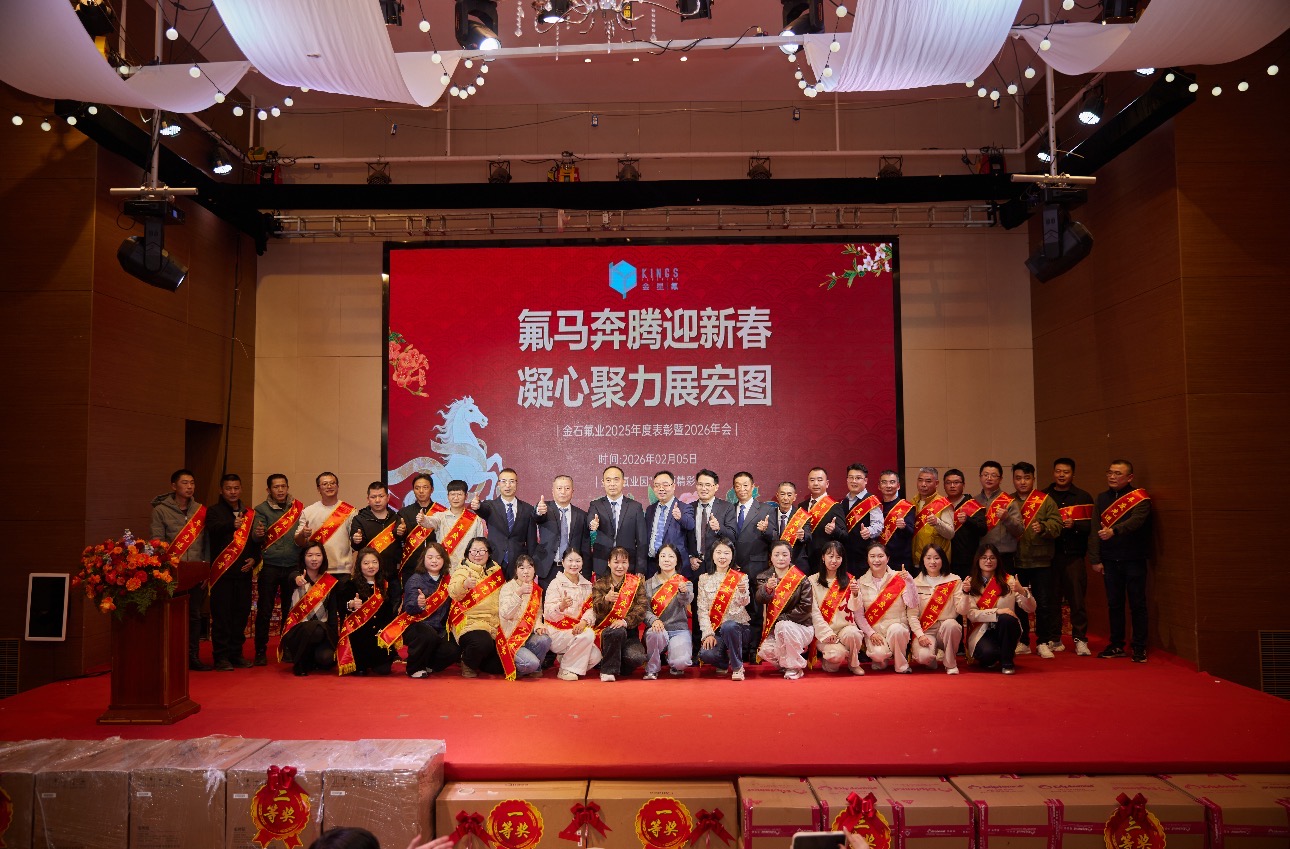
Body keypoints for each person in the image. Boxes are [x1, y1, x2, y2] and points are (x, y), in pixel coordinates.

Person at [1088, 459, 1153, 663]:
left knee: (1137, 604)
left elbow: (1136, 522)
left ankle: (1139, 647)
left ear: (1129, 477)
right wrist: (1095, 558)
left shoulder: (1140, 498)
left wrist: (1114, 531)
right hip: (1110, 560)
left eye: (1118, 473)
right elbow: (1094, 530)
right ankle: (1116, 644)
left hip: (1134, 558)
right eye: (1110, 472)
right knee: (1114, 604)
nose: (1112, 477)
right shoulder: (1101, 498)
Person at [150, 468, 210, 671]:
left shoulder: (201, 510)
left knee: (194, 616)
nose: (189, 487)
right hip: (173, 574)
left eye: (192, 483)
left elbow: (207, 543)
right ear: (174, 486)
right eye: (185, 483)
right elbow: (157, 542)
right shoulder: (161, 510)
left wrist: (205, 569)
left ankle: (192, 656)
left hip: (195, 573)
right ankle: (172, 657)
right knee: (172, 616)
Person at [205, 473, 261, 671]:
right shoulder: (213, 511)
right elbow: (212, 530)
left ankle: (236, 654)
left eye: (236, 488)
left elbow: (255, 543)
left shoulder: (249, 513)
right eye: (228, 488)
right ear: (221, 490)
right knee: (222, 616)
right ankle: (221, 657)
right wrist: (231, 525)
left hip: (243, 574)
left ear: (241, 489)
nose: (233, 492)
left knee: (241, 615)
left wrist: (255, 558)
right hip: (222, 574)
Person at [1008, 462, 1063, 658]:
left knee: (1043, 603)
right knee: (1019, 603)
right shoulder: (1008, 500)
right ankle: (1023, 641)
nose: (1022, 482)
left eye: (1027, 478)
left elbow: (1057, 525)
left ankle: (1043, 641)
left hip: (1042, 560)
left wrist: (1044, 527)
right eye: (1018, 478)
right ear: (1013, 480)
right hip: (1016, 560)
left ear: (1033, 478)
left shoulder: (1045, 500)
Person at [957, 542, 1035, 674]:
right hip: (981, 630)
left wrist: (1022, 591)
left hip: (1006, 628)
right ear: (977, 560)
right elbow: (971, 614)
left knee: (1006, 618)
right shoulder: (970, 583)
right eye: (984, 558)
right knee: (988, 655)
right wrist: (997, 611)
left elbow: (1030, 608)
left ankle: (1007, 663)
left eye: (992, 558)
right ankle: (1001, 652)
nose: (988, 561)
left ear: (998, 560)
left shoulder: (1009, 581)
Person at [1045, 457, 1096, 656]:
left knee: (1077, 600)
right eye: (1058, 471)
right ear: (1053, 473)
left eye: (1065, 472)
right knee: (1052, 599)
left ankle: (1080, 639)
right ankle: (1054, 638)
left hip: (1074, 556)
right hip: (1050, 557)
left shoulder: (1083, 496)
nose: (1061, 475)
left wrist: (1075, 526)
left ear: (1073, 474)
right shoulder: (1043, 496)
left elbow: (1091, 527)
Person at [722, 471, 775, 659]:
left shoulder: (766, 509)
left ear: (753, 487)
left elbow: (776, 538)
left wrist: (766, 530)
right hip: (733, 568)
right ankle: (738, 649)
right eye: (737, 485)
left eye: (745, 485)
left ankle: (753, 650)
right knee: (735, 610)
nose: (741, 489)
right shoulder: (729, 509)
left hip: (756, 568)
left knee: (755, 611)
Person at [253, 474, 304, 666]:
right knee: (264, 610)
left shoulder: (298, 508)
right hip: (270, 566)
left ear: (288, 487)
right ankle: (260, 650)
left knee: (289, 610)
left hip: (292, 566)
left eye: (283, 486)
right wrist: (258, 534)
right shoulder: (261, 510)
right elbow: (256, 537)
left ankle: (288, 648)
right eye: (276, 487)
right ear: (269, 490)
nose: (280, 490)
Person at [395, 542, 459, 678]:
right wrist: (419, 604)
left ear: (444, 560)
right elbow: (409, 608)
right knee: (427, 635)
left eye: (438, 557)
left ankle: (429, 664)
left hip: (439, 629)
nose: (434, 561)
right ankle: (413, 668)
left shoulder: (448, 581)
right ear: (423, 559)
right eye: (430, 557)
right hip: (415, 625)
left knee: (454, 650)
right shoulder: (415, 580)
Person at [851, 541, 916, 673]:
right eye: (872, 556)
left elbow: (912, 604)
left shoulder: (900, 578)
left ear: (888, 558)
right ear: (867, 559)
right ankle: (883, 657)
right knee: (878, 656)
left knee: (897, 630)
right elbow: (858, 615)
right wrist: (871, 633)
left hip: (896, 626)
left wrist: (910, 582)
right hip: (875, 631)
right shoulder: (860, 582)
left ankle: (901, 665)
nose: (876, 560)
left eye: (880, 556)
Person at [447, 536, 507, 677]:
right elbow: (453, 591)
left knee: (500, 666)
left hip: (494, 625)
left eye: (482, 551)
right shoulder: (463, 570)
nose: (477, 554)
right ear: (468, 553)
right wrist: (464, 585)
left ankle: (478, 661)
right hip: (471, 624)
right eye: (473, 551)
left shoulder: (496, 570)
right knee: (482, 643)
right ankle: (467, 662)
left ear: (489, 553)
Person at [333, 547, 396, 676]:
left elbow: (389, 612)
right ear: (359, 566)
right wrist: (351, 605)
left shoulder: (385, 585)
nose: (371, 566)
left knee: (383, 671)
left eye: (374, 562)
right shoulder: (351, 585)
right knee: (360, 671)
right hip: (359, 636)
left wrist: (385, 631)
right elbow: (342, 607)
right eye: (366, 563)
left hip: (378, 635)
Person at [756, 539, 814, 679]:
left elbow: (805, 607)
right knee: (765, 651)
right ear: (771, 557)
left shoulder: (801, 579)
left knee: (784, 626)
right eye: (776, 555)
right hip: (777, 629)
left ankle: (795, 667)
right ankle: (786, 664)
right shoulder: (764, 577)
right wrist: (768, 589)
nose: (780, 558)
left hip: (801, 626)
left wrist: (782, 619)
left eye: (784, 554)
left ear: (790, 556)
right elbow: (760, 599)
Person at [279, 543, 339, 676]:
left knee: (328, 659)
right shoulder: (297, 577)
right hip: (299, 631)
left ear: (323, 557)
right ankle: (301, 662)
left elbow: (332, 614)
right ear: (303, 557)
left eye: (318, 555)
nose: (314, 559)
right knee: (314, 629)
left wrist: (334, 640)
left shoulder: (328, 581)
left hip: (322, 631)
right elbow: (291, 578)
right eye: (310, 555)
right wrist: (297, 579)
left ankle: (311, 659)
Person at [543, 549, 602, 681]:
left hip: (579, 630)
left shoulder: (587, 585)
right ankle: (564, 670)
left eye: (577, 561)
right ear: (563, 562)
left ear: (582, 563)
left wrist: (583, 622)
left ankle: (566, 658)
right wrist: (561, 606)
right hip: (558, 632)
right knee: (588, 634)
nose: (574, 564)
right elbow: (548, 614)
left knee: (596, 657)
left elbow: (591, 609)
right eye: (570, 560)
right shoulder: (555, 584)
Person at [697, 537, 751, 679]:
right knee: (706, 654)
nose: (722, 557)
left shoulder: (740, 577)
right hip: (716, 630)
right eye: (718, 552)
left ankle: (737, 667)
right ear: (712, 555)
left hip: (738, 629)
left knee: (729, 626)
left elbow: (745, 603)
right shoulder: (703, 578)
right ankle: (723, 662)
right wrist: (708, 634)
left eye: (726, 553)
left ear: (732, 556)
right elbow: (702, 609)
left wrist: (743, 592)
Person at [591, 546, 648, 681]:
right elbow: (595, 610)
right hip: (606, 633)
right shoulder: (600, 584)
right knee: (617, 632)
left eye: (624, 562)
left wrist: (625, 621)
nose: (620, 566)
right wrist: (606, 600)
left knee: (637, 658)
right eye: (616, 562)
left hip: (629, 633)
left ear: (628, 564)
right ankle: (607, 671)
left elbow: (642, 607)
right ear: (609, 563)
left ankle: (612, 662)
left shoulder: (636, 583)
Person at [810, 541, 865, 675]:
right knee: (834, 660)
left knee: (854, 634)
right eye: (830, 556)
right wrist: (826, 633)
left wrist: (856, 594)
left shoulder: (850, 580)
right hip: (824, 632)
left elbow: (855, 608)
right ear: (823, 557)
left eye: (838, 557)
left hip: (845, 629)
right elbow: (813, 612)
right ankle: (836, 655)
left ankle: (853, 663)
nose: (834, 561)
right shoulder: (812, 581)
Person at [471, 468, 538, 578]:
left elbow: (531, 541)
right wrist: (478, 506)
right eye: (504, 481)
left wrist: (531, 565)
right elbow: (483, 509)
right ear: (498, 484)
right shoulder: (490, 506)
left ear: (516, 484)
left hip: (518, 564)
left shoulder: (527, 509)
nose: (508, 485)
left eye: (512, 481)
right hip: (494, 561)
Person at [642, 543, 694, 679]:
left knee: (681, 663)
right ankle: (652, 668)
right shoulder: (648, 584)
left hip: (678, 630)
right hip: (657, 630)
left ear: (677, 561)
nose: (666, 559)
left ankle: (673, 659)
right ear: (658, 560)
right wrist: (654, 620)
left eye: (671, 556)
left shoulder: (685, 582)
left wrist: (683, 593)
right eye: (663, 556)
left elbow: (687, 601)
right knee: (655, 633)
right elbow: (644, 610)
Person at [908, 544, 963, 674]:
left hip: (946, 629)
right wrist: (920, 635)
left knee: (952, 625)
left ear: (943, 560)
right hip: (926, 630)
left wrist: (966, 594)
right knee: (924, 657)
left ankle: (950, 663)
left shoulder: (954, 580)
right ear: (923, 560)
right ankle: (931, 658)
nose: (932, 562)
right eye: (928, 558)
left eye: (937, 558)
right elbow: (912, 615)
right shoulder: (914, 583)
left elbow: (962, 611)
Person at [497, 555, 553, 679]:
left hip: (527, 637)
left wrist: (538, 627)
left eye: (529, 567)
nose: (526, 571)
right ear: (516, 571)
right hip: (510, 639)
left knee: (545, 639)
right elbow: (506, 614)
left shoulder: (536, 590)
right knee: (531, 663)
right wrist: (519, 593)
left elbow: (538, 614)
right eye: (522, 568)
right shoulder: (507, 588)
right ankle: (527, 667)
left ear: (534, 570)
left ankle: (533, 668)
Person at [588, 466, 648, 575]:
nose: (612, 484)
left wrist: (640, 568)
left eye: (616, 480)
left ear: (623, 482)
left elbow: (642, 540)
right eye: (608, 480)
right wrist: (593, 525)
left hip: (627, 564)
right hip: (602, 564)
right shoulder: (596, 505)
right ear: (603, 483)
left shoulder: (635, 507)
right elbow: (591, 520)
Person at [294, 472, 356, 578]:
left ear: (338, 486)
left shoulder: (350, 511)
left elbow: (355, 543)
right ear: (318, 488)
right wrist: (303, 534)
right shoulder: (308, 511)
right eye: (325, 484)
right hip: (316, 571)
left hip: (342, 570)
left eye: (332, 483)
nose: (329, 486)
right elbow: (298, 542)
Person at [534, 474, 592, 587]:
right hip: (548, 569)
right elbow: (537, 517)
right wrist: (539, 511)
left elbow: (585, 546)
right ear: (553, 491)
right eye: (559, 488)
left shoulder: (581, 515)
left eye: (567, 488)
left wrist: (586, 573)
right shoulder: (545, 508)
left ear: (572, 492)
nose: (563, 492)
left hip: (573, 570)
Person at [348, 482, 401, 596]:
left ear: (388, 497)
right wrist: (356, 540)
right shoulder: (359, 519)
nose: (377, 500)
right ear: (368, 499)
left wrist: (402, 533)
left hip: (392, 576)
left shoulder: (397, 518)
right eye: (373, 497)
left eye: (381, 496)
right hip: (368, 576)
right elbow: (356, 546)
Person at [418, 480, 484, 568]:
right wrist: (423, 519)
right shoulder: (440, 516)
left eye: (459, 494)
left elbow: (481, 545)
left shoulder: (475, 519)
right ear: (448, 496)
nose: (455, 498)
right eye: (452, 494)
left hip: (467, 568)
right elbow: (430, 521)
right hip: (445, 568)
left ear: (466, 496)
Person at [969, 461, 1021, 572]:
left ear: (1000, 479)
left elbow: (1019, 531)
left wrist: (1007, 518)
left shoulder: (1009, 502)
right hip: (980, 556)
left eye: (993, 475)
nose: (989, 478)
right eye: (986, 475)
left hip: (1003, 557)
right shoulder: (973, 501)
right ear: (980, 477)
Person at [834, 464, 884, 579]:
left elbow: (878, 525)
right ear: (847, 480)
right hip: (846, 555)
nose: (854, 481)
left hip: (864, 556)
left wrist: (869, 531)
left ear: (865, 480)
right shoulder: (843, 502)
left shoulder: (871, 501)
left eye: (858, 478)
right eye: (851, 478)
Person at [643, 470, 695, 578]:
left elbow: (690, 525)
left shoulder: (684, 508)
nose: (661, 488)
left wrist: (680, 517)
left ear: (673, 486)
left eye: (665, 485)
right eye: (657, 485)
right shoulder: (650, 509)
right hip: (652, 566)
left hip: (676, 567)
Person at [394, 473, 444, 584]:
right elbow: (396, 535)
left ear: (432, 489)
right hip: (412, 566)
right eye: (417, 488)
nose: (421, 491)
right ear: (413, 490)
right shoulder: (404, 512)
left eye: (425, 487)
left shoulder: (442, 512)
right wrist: (400, 531)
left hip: (436, 566)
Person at [799, 467, 844, 572]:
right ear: (808, 484)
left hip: (824, 561)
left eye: (820, 480)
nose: (815, 483)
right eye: (812, 480)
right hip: (804, 561)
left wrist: (835, 530)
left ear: (827, 483)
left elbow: (845, 535)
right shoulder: (802, 506)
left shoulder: (834, 506)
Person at [690, 469, 734, 575]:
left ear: (716, 487)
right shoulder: (689, 508)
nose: (703, 488)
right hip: (695, 566)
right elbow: (685, 538)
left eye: (708, 485)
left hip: (718, 566)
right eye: (700, 484)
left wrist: (719, 528)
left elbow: (733, 535)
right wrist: (690, 557)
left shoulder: (727, 507)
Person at [910, 467, 955, 571]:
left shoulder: (943, 504)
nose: (923, 484)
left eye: (928, 481)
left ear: (936, 483)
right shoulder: (913, 502)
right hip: (916, 561)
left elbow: (950, 534)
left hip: (936, 562)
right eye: (920, 480)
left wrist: (937, 523)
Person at [876, 470, 916, 573]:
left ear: (898, 486)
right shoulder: (876, 507)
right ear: (879, 486)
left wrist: (903, 527)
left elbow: (911, 532)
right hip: (879, 559)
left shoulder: (907, 507)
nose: (888, 486)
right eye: (884, 482)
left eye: (892, 482)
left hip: (901, 560)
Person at [944, 469, 981, 580]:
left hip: (967, 560)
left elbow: (983, 529)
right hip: (944, 559)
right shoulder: (941, 504)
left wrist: (968, 520)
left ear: (963, 485)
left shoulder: (973, 504)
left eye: (956, 482)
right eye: (948, 482)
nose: (952, 486)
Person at [771, 481, 811, 570]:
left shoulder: (801, 515)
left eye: (789, 495)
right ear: (777, 496)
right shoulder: (769, 514)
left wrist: (802, 536)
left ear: (794, 497)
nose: (785, 498)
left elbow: (809, 536)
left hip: (797, 563)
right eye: (782, 494)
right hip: (775, 564)